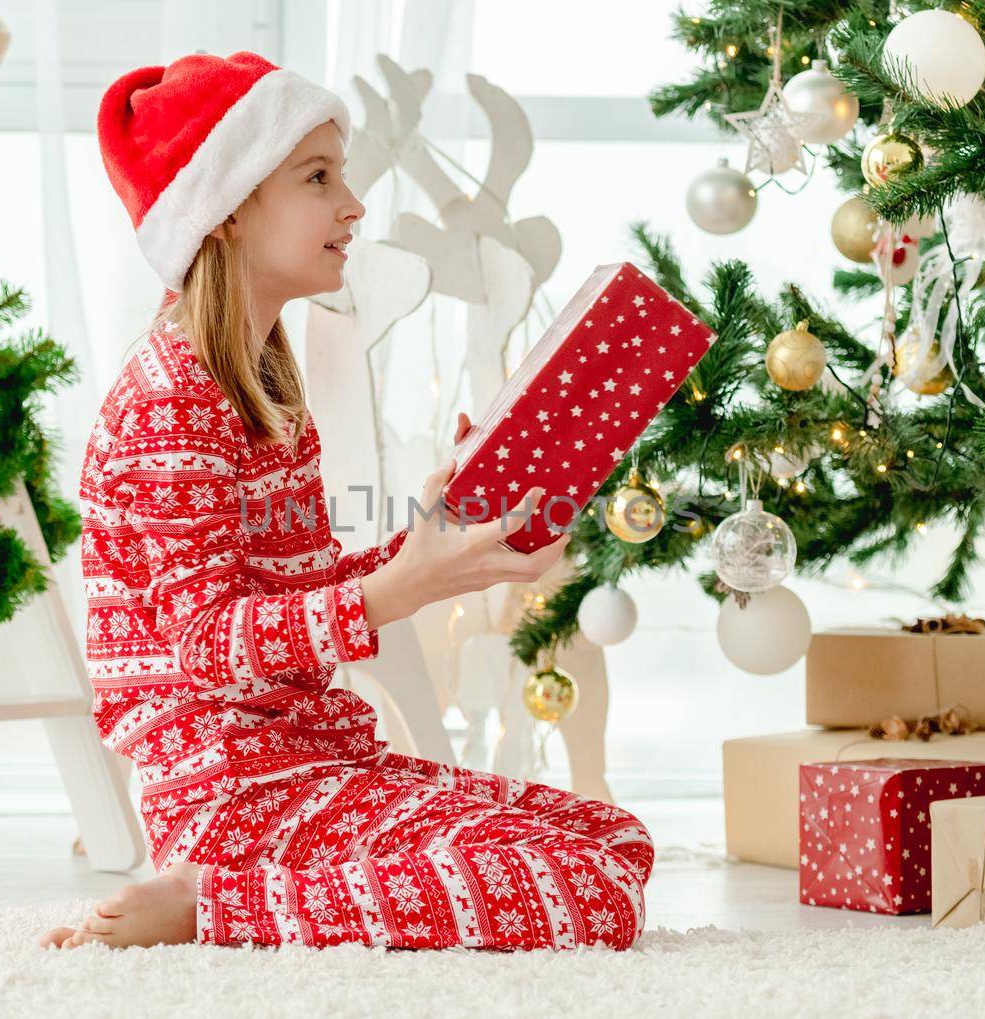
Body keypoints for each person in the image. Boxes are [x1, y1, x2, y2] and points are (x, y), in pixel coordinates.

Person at [39, 51, 653, 952]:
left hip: (307, 761)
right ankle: (214, 907)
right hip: (234, 793)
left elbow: (289, 606)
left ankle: (281, 895)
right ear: (228, 210)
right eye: (317, 177)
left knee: (615, 840)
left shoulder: (255, 384)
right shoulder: (172, 399)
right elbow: (211, 644)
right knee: (594, 893)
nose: (353, 205)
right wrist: (398, 588)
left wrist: (435, 547)